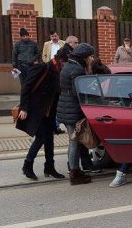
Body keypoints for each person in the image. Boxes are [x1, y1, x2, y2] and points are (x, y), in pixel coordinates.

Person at [16, 57, 64, 180]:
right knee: (41, 137)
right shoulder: (42, 67)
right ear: (60, 61)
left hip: (49, 111)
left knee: (49, 138)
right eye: (64, 63)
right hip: (37, 110)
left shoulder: (58, 72)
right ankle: (27, 165)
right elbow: (26, 87)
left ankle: (49, 167)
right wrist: (24, 108)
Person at [57, 43, 96, 185]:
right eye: (91, 56)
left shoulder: (67, 66)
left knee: (72, 141)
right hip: (72, 109)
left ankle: (74, 170)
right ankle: (75, 173)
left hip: (65, 107)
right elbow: (77, 92)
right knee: (74, 142)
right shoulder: (78, 69)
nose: (92, 59)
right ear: (84, 57)